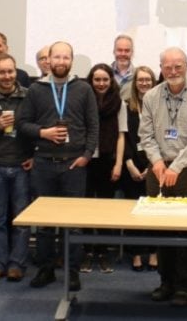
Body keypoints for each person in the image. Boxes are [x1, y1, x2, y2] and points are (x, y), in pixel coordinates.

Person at [18, 41, 98, 292]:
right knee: (44, 224)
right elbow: (22, 124)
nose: (61, 61)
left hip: (74, 165)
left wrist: (86, 155)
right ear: (48, 60)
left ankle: (73, 272)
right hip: (44, 164)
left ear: (71, 61)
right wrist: (44, 132)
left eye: (66, 57)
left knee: (74, 223)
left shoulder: (83, 89)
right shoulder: (35, 90)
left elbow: (93, 126)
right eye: (57, 57)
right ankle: (46, 269)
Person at [139, 48, 187, 307]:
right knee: (162, 228)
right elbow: (145, 134)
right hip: (158, 168)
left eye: (178, 66)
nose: (173, 71)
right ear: (161, 67)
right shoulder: (150, 96)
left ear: (186, 66)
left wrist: (176, 166)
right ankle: (165, 281)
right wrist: (157, 161)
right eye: (167, 67)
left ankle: (184, 286)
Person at [0, 54, 34, 283]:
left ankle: (16, 264)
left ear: (16, 71)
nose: (7, 76)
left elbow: (37, 127)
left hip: (22, 165)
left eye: (10, 71)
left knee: (21, 219)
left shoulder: (29, 96)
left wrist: (34, 155)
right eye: (1, 72)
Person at [80, 64, 125, 273]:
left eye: (105, 79)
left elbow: (121, 135)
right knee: (87, 207)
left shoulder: (119, 103)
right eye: (97, 79)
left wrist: (118, 164)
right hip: (87, 160)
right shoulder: (84, 100)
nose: (101, 83)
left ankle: (103, 251)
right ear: (91, 81)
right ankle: (88, 251)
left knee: (106, 208)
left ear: (111, 81)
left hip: (108, 160)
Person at [118, 66, 159, 272]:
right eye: (140, 80)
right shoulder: (126, 107)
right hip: (132, 164)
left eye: (148, 80)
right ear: (135, 84)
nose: (144, 83)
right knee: (134, 212)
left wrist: (153, 166)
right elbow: (123, 137)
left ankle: (153, 253)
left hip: (155, 164)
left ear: (153, 82)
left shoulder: (160, 106)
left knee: (153, 211)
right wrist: (129, 164)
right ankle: (135, 254)